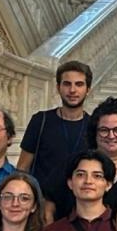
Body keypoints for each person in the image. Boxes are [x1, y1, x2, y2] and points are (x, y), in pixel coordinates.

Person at [47, 97, 117, 221]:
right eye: (104, 130)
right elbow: (48, 200)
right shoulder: (76, 163)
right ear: (94, 132)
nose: (111, 136)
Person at [18, 60, 93, 188]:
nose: (72, 90)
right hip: (42, 198)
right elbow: (22, 167)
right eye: (67, 84)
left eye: (79, 84)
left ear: (88, 90)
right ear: (58, 88)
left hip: (80, 198)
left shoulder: (94, 126)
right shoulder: (40, 121)